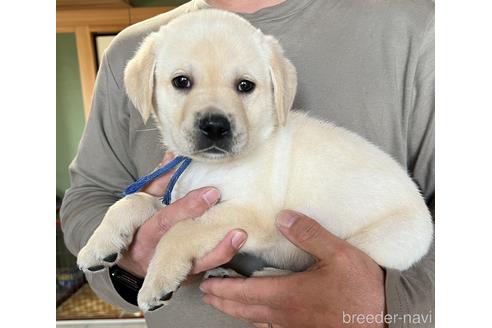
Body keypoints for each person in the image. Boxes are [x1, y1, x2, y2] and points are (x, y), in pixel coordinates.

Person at [60, 0, 434, 327]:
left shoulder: (418, 27)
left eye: (244, 86)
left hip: (389, 233)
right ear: (148, 88)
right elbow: (88, 197)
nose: (215, 116)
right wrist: (129, 267)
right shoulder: (131, 49)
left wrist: (387, 308)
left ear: (278, 91)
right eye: (182, 81)